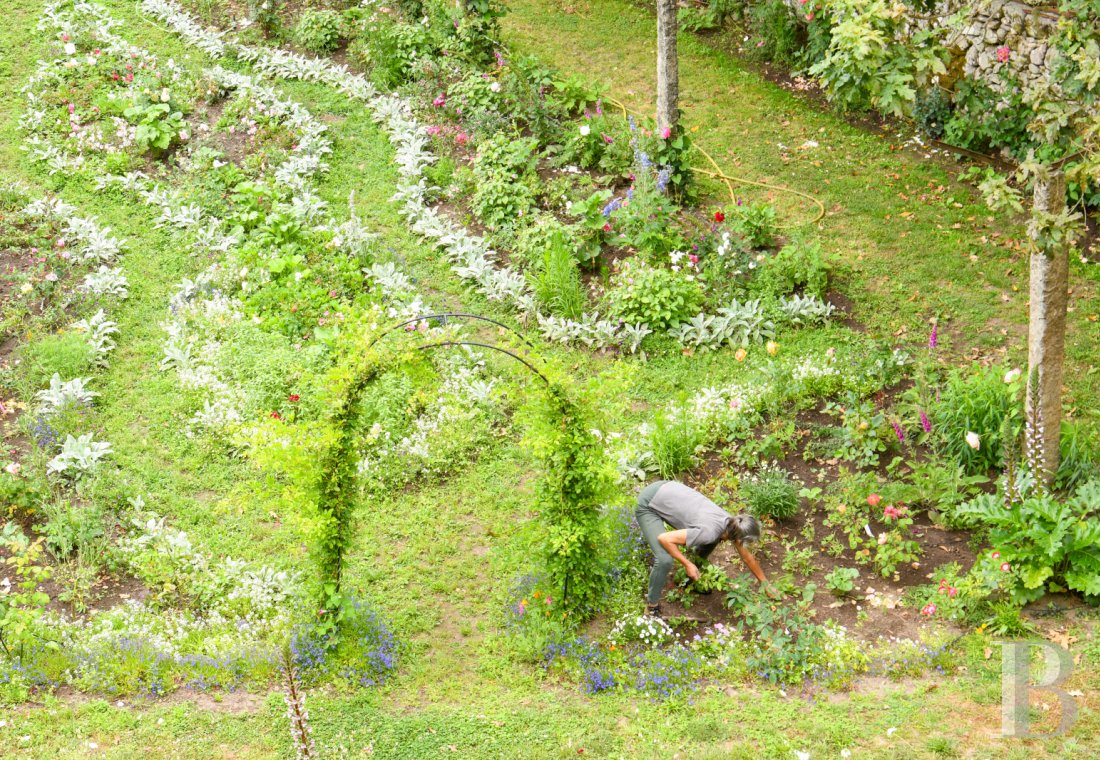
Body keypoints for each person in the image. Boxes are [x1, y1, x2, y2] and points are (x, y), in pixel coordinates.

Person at [635, 480, 777, 616]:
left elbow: (746, 557)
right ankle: (651, 606)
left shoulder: (732, 524)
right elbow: (664, 539)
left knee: (713, 540)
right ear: (739, 539)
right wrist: (687, 564)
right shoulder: (710, 532)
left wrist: (765, 583)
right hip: (649, 503)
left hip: (667, 491)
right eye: (746, 542)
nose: (745, 546)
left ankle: (687, 580)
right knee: (665, 559)